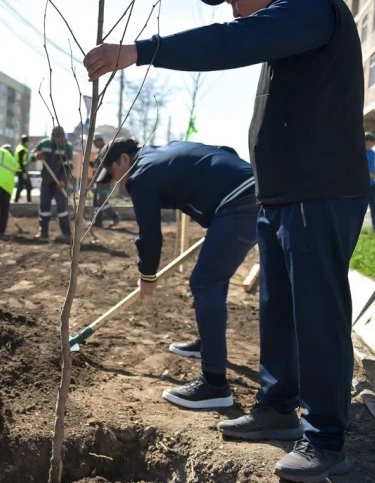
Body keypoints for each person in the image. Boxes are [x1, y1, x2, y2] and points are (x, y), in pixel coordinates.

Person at [85, 0, 370, 483]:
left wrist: (140, 51)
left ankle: (326, 437)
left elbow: (233, 41)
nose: (231, 10)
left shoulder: (312, 9)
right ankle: (277, 406)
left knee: (316, 313)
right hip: (280, 194)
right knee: (278, 308)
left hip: (319, 191)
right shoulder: (291, 25)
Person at [97, 138, 257, 409]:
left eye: (112, 174)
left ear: (124, 160)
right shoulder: (163, 152)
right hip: (247, 193)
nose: (116, 182)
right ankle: (208, 343)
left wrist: (147, 275)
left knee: (205, 282)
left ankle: (214, 384)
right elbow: (225, 152)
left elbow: (149, 235)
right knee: (212, 279)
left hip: (240, 204)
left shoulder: (140, 174)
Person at [33, 126, 74, 243]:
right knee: (44, 207)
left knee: (62, 209)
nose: (60, 142)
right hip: (46, 182)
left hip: (59, 183)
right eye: (57, 139)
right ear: (52, 137)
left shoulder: (67, 148)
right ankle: (43, 233)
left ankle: (66, 234)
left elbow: (68, 167)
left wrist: (63, 180)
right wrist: (36, 156)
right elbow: (32, 155)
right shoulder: (44, 144)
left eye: (61, 139)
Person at [90, 134, 120, 228]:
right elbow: (97, 166)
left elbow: (109, 166)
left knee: (101, 200)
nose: (94, 143)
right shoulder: (99, 153)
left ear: (100, 140)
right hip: (97, 181)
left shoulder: (107, 151)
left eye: (95, 141)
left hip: (104, 180)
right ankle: (98, 221)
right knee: (96, 201)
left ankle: (114, 216)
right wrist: (89, 163)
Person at [14, 135, 32, 203]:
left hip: (21, 170)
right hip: (22, 170)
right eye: (28, 141)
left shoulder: (22, 147)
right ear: (26, 141)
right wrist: (24, 172)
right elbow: (21, 161)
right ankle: (28, 200)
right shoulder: (21, 149)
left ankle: (17, 199)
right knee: (28, 186)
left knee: (22, 186)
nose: (29, 143)